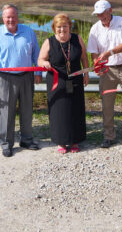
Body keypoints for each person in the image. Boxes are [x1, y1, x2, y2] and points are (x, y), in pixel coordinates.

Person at [0, 4, 42, 157]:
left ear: (18, 17)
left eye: (14, 17)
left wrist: (38, 72)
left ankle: (27, 139)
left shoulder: (29, 32)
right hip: (6, 78)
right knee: (6, 112)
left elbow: (37, 53)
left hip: (27, 76)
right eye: (8, 17)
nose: (11, 20)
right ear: (3, 18)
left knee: (27, 109)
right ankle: (6, 143)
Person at [87, 0, 122, 148]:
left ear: (110, 10)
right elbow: (93, 51)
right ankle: (109, 136)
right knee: (107, 103)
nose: (101, 17)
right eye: (98, 15)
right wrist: (97, 65)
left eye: (103, 13)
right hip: (107, 71)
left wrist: (109, 52)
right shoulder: (94, 28)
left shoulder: (121, 22)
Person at [37, 13, 89, 154]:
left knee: (75, 110)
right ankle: (61, 141)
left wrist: (86, 73)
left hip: (76, 81)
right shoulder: (49, 42)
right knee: (59, 112)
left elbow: (84, 57)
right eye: (59, 27)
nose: (62, 30)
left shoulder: (77, 39)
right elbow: (40, 60)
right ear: (54, 28)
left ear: (70, 27)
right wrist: (45, 63)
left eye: (65, 27)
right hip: (57, 81)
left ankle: (74, 141)